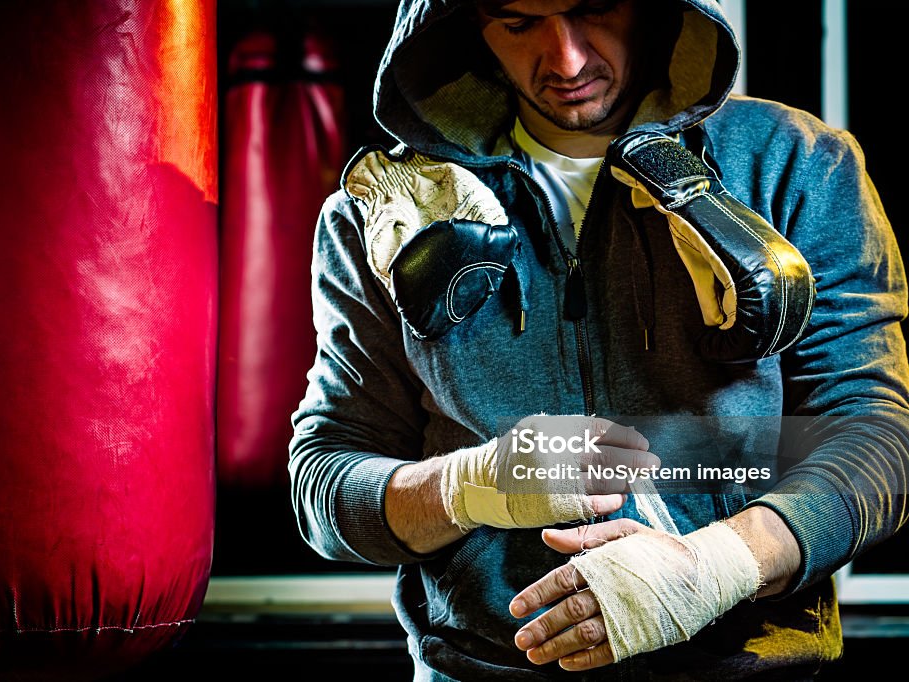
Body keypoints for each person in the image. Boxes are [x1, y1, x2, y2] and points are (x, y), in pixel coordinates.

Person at [289, 0, 909, 678]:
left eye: (595, 9)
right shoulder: (380, 217)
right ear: (467, 23)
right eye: (519, 22)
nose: (567, 59)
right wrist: (471, 484)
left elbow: (875, 438)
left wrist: (717, 566)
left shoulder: (793, 162)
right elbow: (326, 481)